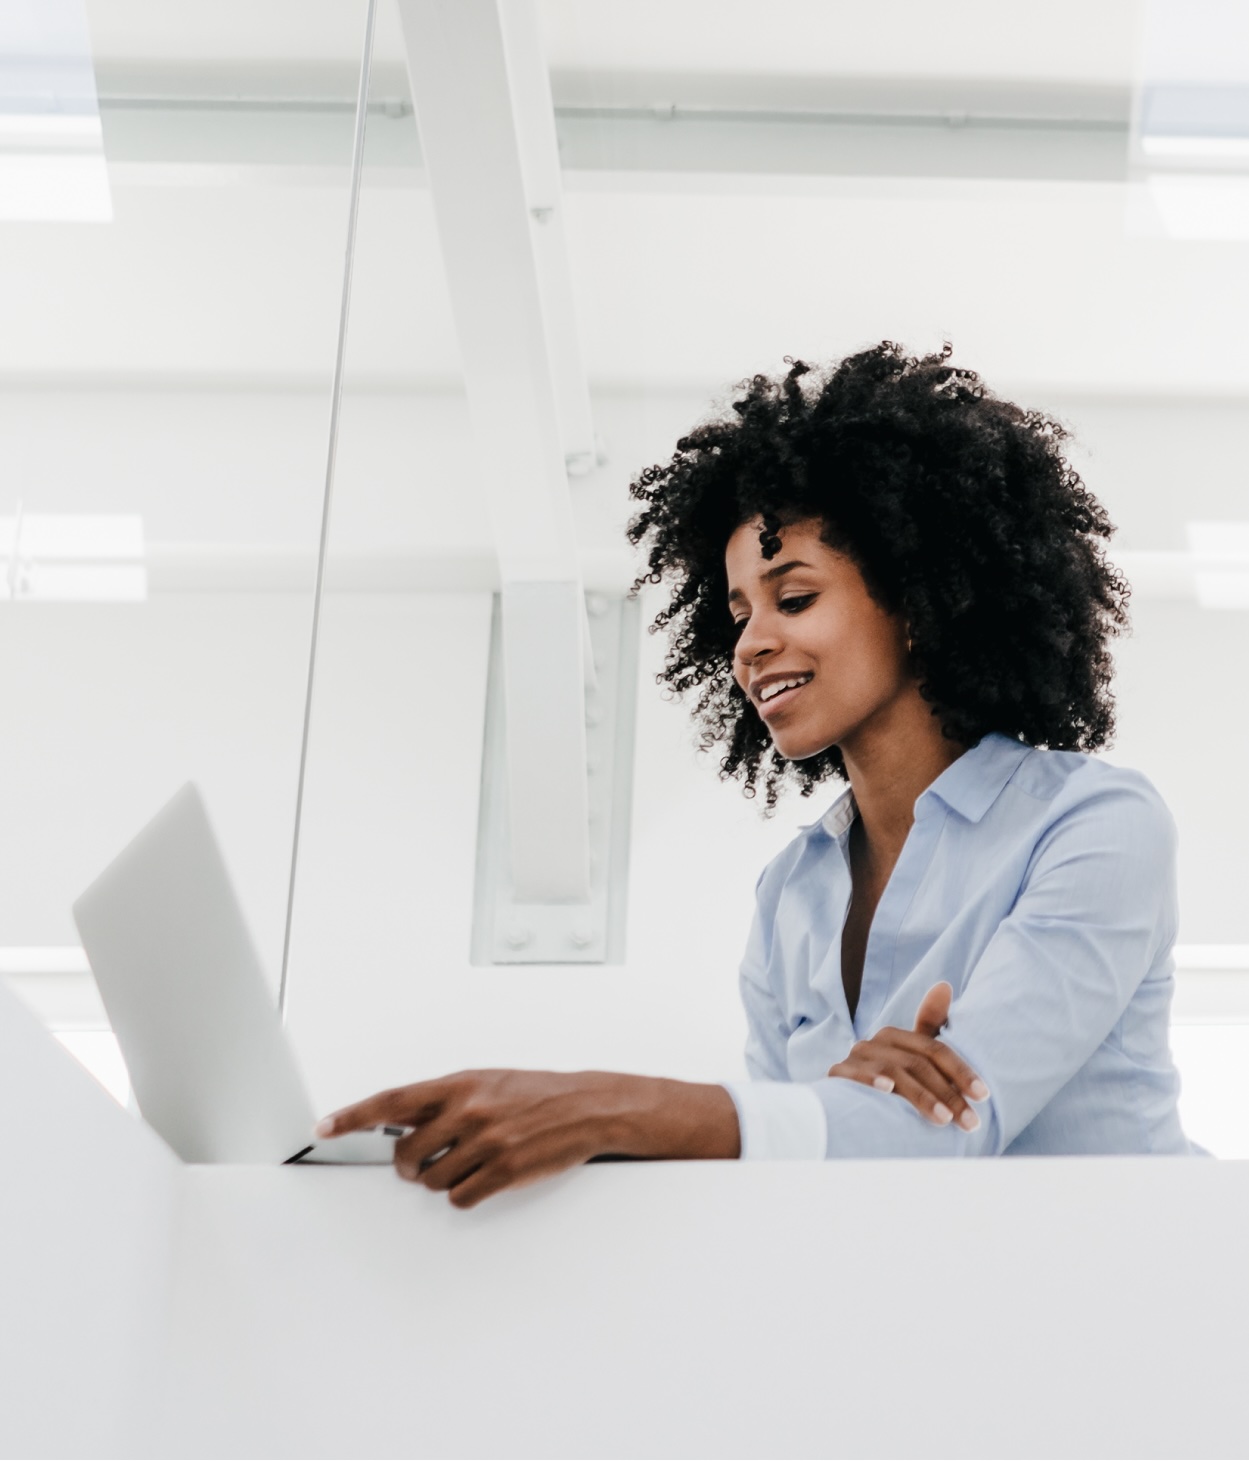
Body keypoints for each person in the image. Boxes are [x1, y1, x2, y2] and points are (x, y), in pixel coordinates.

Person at [318, 341, 1198, 1205]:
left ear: (922, 601)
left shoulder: (1092, 825)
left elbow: (943, 1129)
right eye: (739, 613)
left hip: (1137, 1306)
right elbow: (788, 1184)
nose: (749, 645)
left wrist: (609, 1105)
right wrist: (829, 1108)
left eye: (795, 597)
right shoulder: (794, 892)